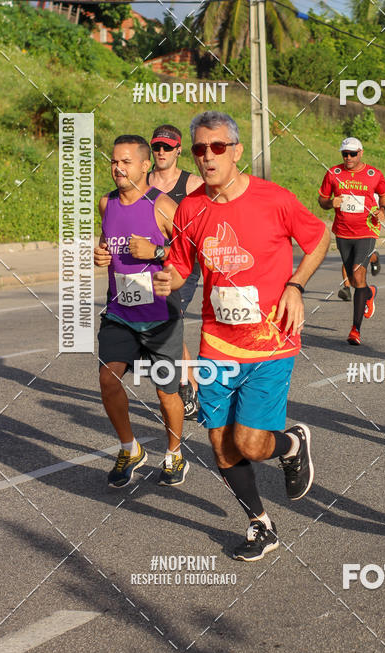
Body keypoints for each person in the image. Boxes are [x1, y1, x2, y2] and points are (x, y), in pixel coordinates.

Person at [153, 110, 330, 561]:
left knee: (250, 442)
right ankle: (260, 524)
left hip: (271, 342)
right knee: (219, 442)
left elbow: (319, 237)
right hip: (218, 342)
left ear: (236, 151)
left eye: (216, 147)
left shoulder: (274, 199)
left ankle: (291, 443)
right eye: (199, 149)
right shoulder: (191, 209)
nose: (207, 157)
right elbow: (180, 267)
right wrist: (163, 279)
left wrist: (296, 286)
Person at [94, 135, 187, 488]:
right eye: (114, 161)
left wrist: (157, 252)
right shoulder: (106, 203)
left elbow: (186, 257)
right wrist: (100, 254)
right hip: (119, 312)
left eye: (126, 162)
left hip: (160, 316)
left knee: (166, 393)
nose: (118, 168)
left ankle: (174, 454)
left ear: (146, 165)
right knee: (107, 379)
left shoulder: (162, 206)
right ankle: (130, 448)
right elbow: (107, 243)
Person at [143, 124, 202, 421]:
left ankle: (186, 388)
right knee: (162, 324)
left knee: (170, 319)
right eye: (157, 147)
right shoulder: (141, 181)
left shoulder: (191, 185)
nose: (162, 152)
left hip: (183, 265)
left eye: (168, 147)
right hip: (147, 265)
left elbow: (209, 221)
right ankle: (190, 384)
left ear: (179, 149)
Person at [318, 136, 385, 345]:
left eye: (352, 154)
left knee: (357, 275)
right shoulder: (334, 173)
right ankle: (369, 292)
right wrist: (331, 202)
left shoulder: (373, 174)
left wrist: (382, 210)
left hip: (367, 230)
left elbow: (384, 194)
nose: (348, 157)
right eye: (345, 154)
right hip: (343, 232)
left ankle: (355, 330)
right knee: (356, 279)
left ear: (361, 153)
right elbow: (322, 200)